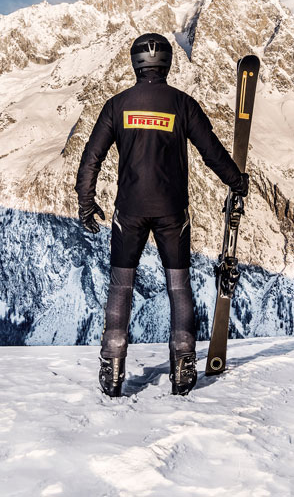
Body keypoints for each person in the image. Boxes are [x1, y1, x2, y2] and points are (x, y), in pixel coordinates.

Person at [75, 32, 249, 397]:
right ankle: (183, 364)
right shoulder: (182, 104)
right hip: (172, 212)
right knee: (178, 286)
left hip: (129, 211)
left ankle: (112, 365)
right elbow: (212, 152)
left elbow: (92, 157)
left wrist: (86, 202)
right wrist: (237, 181)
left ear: (135, 63)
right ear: (168, 63)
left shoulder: (117, 105)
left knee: (121, 286)